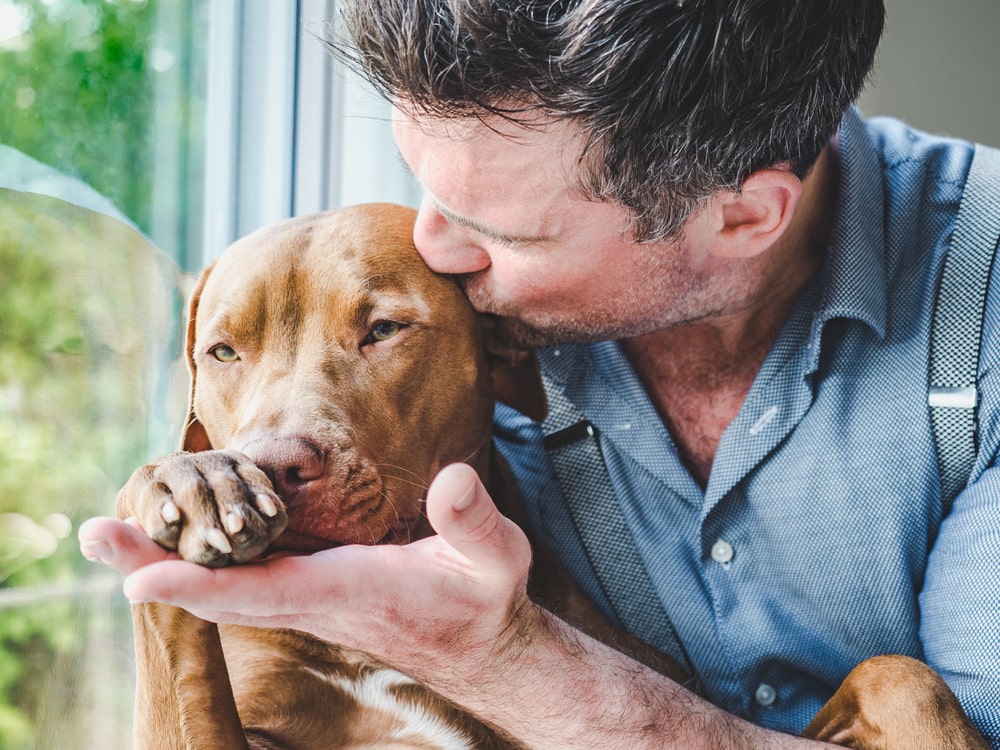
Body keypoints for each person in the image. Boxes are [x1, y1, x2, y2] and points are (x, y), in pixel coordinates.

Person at [79, 1, 1000, 746]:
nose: (431, 245)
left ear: (744, 218)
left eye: (502, 229)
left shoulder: (978, 304)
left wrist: (504, 659)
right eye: (425, 184)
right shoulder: (453, 326)